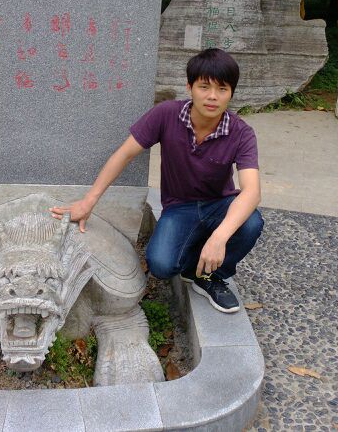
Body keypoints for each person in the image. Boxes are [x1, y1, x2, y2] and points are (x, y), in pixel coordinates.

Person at [50, 49, 263, 314]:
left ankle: (210, 276)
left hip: (219, 204)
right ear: (189, 87)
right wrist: (88, 201)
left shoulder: (241, 133)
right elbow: (124, 154)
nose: (212, 96)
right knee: (161, 265)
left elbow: (252, 191)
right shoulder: (166, 114)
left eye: (222, 89)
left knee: (251, 221)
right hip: (180, 207)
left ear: (231, 93)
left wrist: (219, 238)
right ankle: (196, 256)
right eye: (204, 87)